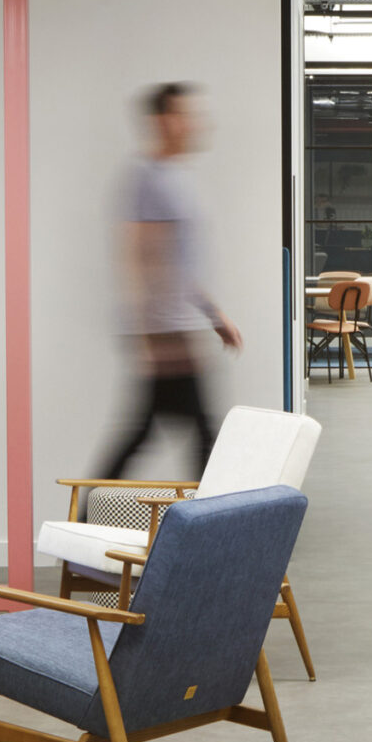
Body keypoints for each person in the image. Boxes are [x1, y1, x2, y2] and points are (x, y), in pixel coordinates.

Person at [97, 82, 242, 479]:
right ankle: (205, 534)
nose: (193, 124)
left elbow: (184, 265)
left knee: (151, 432)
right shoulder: (148, 176)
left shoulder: (178, 177)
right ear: (161, 120)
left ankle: (85, 519)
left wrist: (214, 315)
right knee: (202, 435)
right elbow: (140, 254)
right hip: (165, 330)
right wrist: (148, 335)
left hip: (176, 325)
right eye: (183, 115)